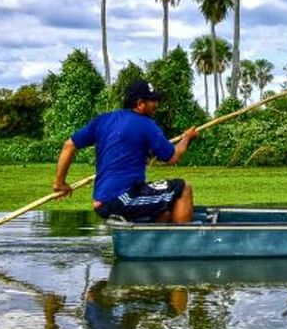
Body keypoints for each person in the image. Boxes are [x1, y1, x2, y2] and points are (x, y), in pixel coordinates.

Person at [52, 79, 198, 223]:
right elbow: (172, 157)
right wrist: (187, 138)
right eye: (152, 101)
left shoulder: (103, 120)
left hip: (101, 201)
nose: (156, 105)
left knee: (164, 213)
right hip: (123, 198)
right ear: (140, 104)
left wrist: (60, 183)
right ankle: (184, 243)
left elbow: (69, 146)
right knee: (183, 188)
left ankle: (152, 244)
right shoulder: (146, 124)